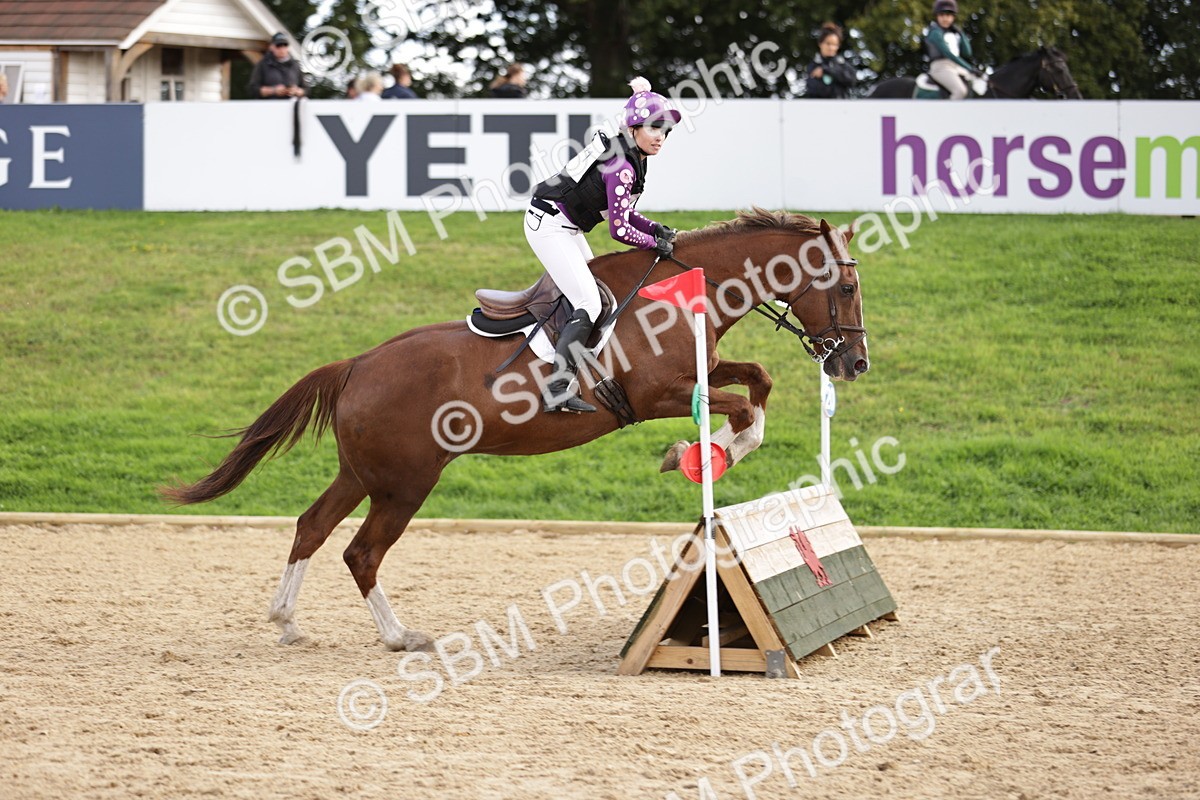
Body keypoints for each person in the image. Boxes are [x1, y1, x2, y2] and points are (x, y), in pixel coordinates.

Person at [526, 77, 679, 413]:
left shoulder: (634, 152)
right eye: (654, 128)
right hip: (550, 226)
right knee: (589, 302)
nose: (661, 138)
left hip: (565, 226)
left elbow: (626, 212)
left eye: (665, 131)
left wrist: (656, 228)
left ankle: (578, 363)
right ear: (635, 128)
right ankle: (556, 389)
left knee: (601, 294)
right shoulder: (623, 165)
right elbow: (619, 228)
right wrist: (652, 242)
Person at [923, 0, 978, 100]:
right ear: (937, 16)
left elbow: (967, 53)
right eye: (942, 15)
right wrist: (969, 68)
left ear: (953, 17)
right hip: (941, 67)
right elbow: (948, 54)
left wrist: (962, 34)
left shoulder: (954, 34)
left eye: (949, 15)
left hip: (956, 67)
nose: (945, 18)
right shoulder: (935, 33)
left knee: (978, 85)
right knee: (960, 91)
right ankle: (950, 114)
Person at [805, 23, 857, 99]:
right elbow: (815, 89)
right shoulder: (813, 66)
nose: (831, 47)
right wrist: (838, 80)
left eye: (834, 44)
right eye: (828, 43)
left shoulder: (843, 65)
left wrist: (826, 71)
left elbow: (852, 81)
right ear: (820, 43)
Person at [248, 32, 306, 99]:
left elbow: (305, 90)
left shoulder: (295, 65)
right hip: (270, 107)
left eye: (285, 45)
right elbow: (252, 89)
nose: (282, 49)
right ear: (271, 47)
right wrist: (273, 90)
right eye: (278, 45)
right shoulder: (262, 65)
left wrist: (296, 91)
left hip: (291, 107)